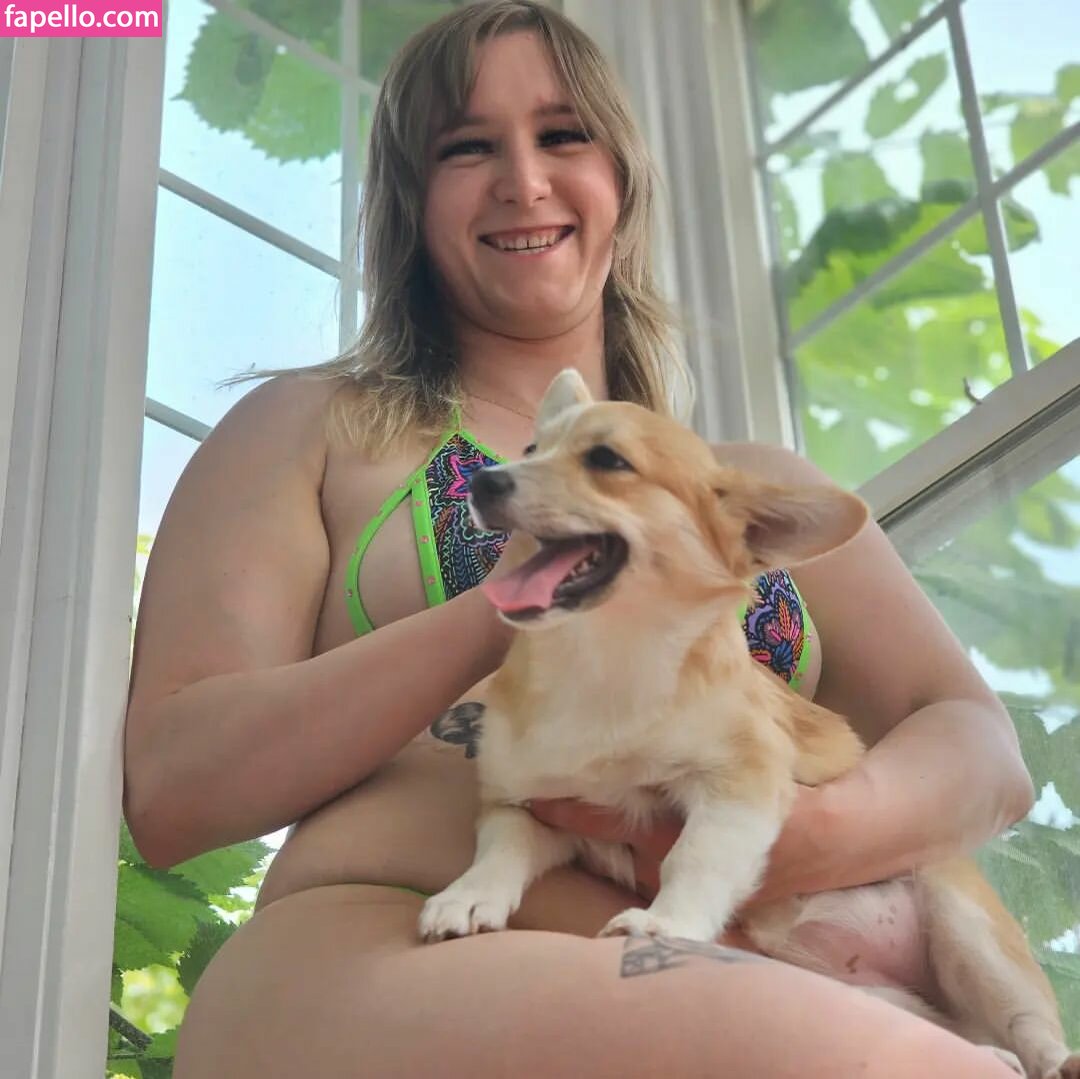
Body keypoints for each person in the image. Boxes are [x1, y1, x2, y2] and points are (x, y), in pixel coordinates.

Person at [125, 3, 1034, 1075]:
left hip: (780, 983)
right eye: (467, 147)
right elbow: (177, 785)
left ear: (625, 177)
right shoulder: (315, 429)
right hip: (388, 953)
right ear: (411, 197)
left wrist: (808, 837)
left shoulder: (755, 490)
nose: (523, 180)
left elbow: (980, 751)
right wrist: (510, 599)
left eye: (562, 135)